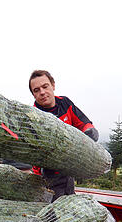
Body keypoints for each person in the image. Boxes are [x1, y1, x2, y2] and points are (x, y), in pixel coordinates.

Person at [29, 70, 99, 201]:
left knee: (70, 201)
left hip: (69, 172)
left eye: (45, 86)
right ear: (33, 94)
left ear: (53, 85)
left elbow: (84, 123)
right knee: (54, 212)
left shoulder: (65, 103)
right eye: (36, 90)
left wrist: (89, 133)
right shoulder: (33, 116)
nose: (42, 92)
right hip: (47, 178)